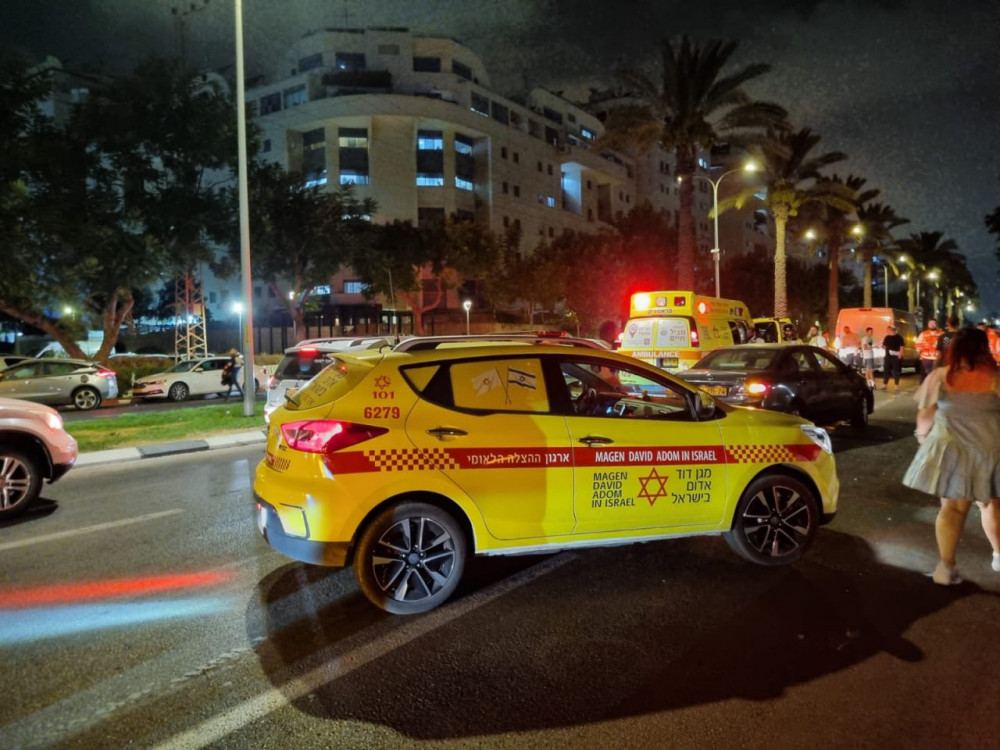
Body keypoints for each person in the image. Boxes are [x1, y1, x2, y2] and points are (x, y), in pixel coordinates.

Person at [902, 327, 1000, 585]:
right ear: (985, 349)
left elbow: (925, 414)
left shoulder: (941, 376)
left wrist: (922, 437)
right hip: (990, 450)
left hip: (951, 450)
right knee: (991, 505)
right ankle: (999, 556)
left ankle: (945, 567)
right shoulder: (996, 378)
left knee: (952, 509)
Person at [915, 317, 941, 383]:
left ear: (936, 324)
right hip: (926, 358)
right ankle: (923, 387)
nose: (932, 325)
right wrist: (925, 346)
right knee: (924, 377)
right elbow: (917, 345)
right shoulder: (923, 334)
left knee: (936, 377)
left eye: (933, 323)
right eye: (930, 323)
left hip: (937, 358)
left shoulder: (941, 334)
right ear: (928, 324)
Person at [881, 324, 905, 391]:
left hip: (896, 357)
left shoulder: (899, 337)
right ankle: (885, 385)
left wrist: (900, 355)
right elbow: (884, 346)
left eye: (888, 330)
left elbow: (902, 347)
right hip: (888, 356)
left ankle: (896, 385)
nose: (887, 331)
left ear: (891, 330)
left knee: (896, 371)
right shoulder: (887, 337)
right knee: (886, 370)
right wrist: (882, 346)